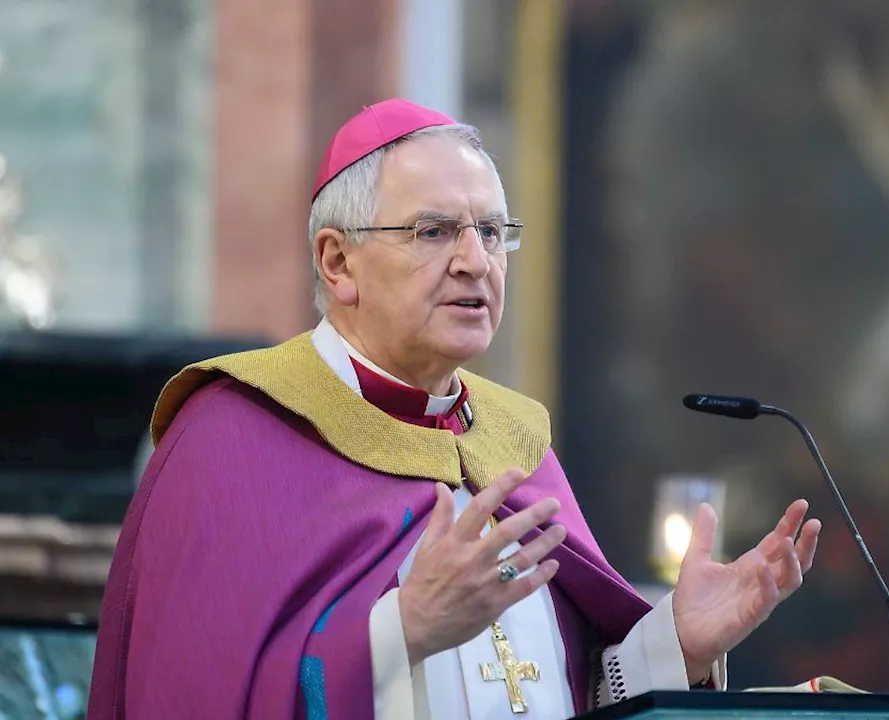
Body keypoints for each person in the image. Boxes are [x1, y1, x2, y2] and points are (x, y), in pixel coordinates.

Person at [86, 99, 821, 719]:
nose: (476, 260)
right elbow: (191, 697)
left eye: (494, 232)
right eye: (434, 231)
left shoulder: (512, 442)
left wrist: (674, 645)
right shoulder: (234, 440)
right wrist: (401, 631)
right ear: (338, 262)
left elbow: (569, 691)